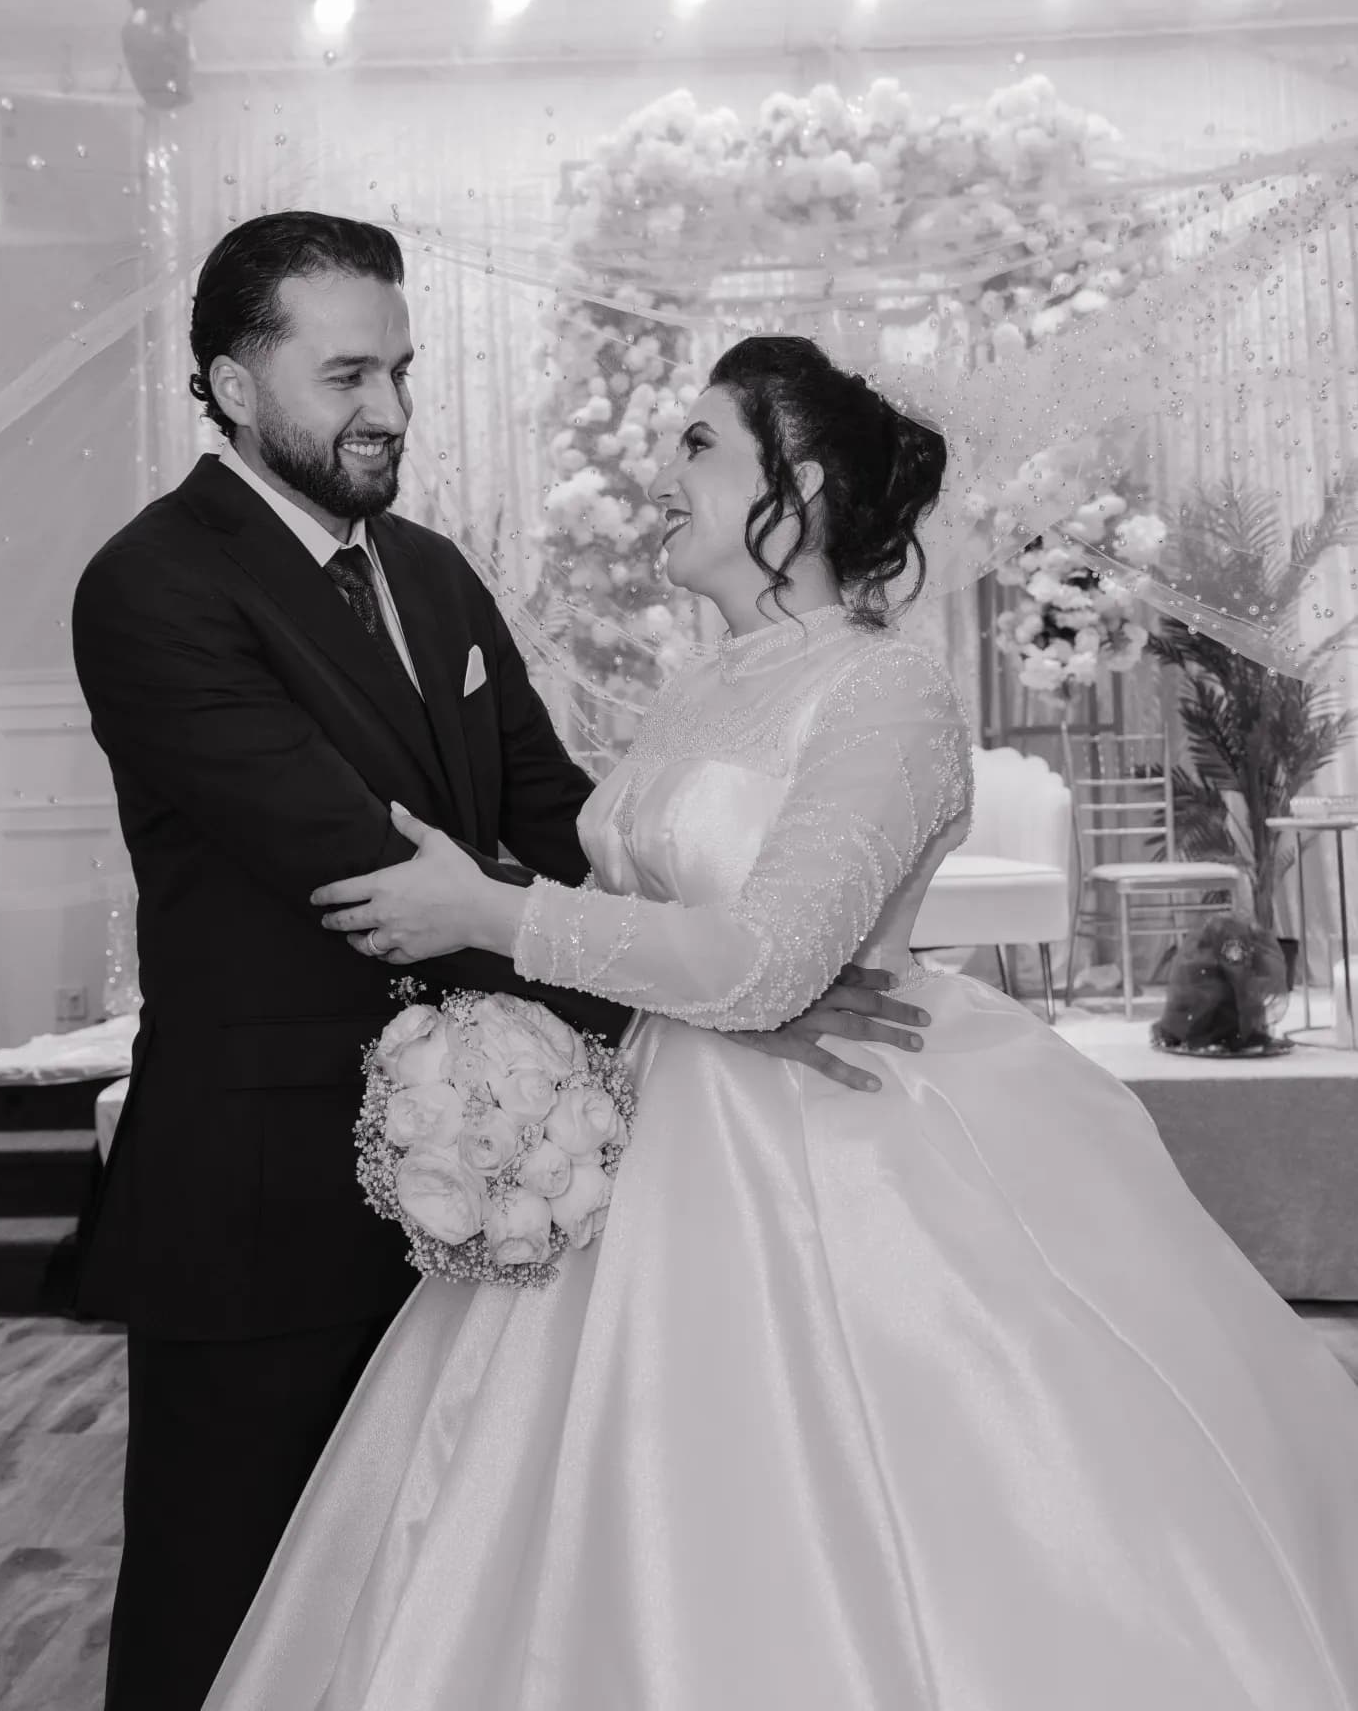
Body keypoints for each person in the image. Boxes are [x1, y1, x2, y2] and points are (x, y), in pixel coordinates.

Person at [206, 334, 1358, 1711]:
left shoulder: (887, 690)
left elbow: (762, 961)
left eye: (699, 443)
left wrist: (487, 915)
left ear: (795, 485)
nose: (662, 469)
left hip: (828, 1168)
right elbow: (651, 912)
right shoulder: (709, 683)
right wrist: (508, 899)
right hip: (651, 1140)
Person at [71, 223, 922, 1711]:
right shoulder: (152, 585)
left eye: (399, 368)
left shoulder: (431, 571)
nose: (388, 408)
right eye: (346, 374)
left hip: (501, 1184)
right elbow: (369, 869)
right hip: (265, 1189)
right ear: (229, 378)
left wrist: (731, 970)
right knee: (222, 1604)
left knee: (413, 1603)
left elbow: (542, 816)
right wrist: (721, 991)